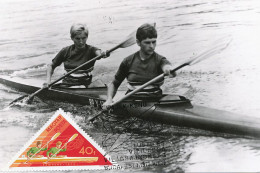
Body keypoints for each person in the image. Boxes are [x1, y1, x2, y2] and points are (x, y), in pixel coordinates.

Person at [103, 23, 176, 109]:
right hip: (132, 102)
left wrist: (169, 70)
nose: (152, 46)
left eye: (154, 42)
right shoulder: (127, 61)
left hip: (154, 101)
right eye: (147, 43)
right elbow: (114, 84)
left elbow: (169, 69)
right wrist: (109, 99)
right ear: (138, 42)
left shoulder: (160, 60)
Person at [43, 23, 107, 88]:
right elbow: (51, 66)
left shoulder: (91, 50)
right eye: (77, 39)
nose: (81, 42)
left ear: (87, 37)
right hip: (68, 85)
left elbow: (99, 53)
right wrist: (48, 81)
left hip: (85, 86)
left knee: (99, 83)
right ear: (72, 38)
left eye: (83, 38)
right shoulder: (65, 51)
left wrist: (103, 54)